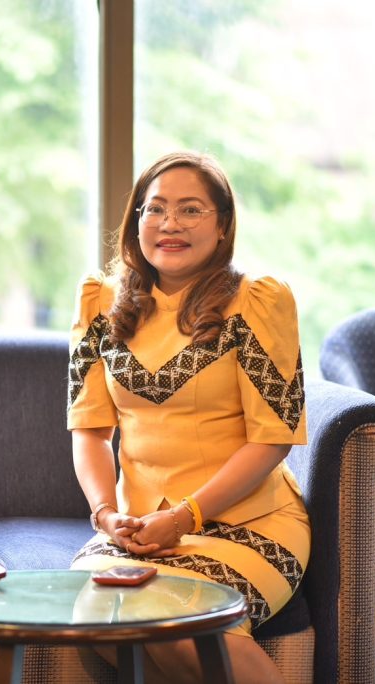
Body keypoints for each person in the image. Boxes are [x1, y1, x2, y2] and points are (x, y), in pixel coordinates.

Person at [67, 151, 309, 684]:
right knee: (96, 619)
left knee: (180, 624)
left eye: (191, 210)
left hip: (248, 522)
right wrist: (106, 514)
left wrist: (184, 518)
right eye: (155, 209)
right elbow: (90, 430)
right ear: (137, 221)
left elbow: (273, 440)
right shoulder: (99, 302)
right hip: (136, 528)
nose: (170, 223)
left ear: (222, 226)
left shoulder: (258, 301)